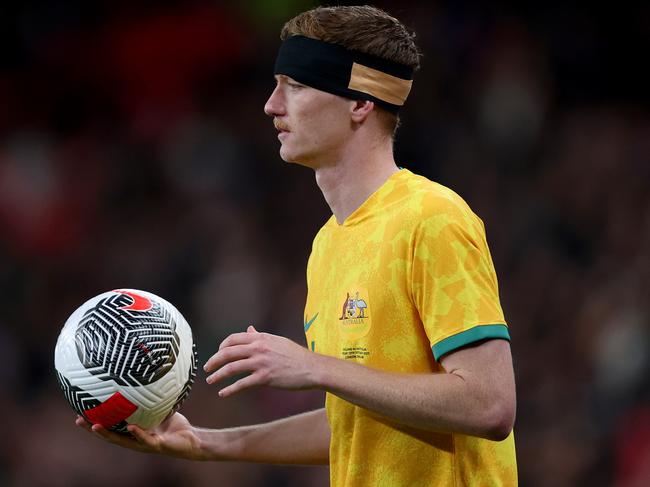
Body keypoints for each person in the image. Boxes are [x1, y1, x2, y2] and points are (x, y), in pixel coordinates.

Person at [76, 5, 518, 486]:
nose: (271, 105)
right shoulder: (327, 246)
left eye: (297, 85)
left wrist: (316, 367)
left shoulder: (432, 219)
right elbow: (353, 427)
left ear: (360, 103)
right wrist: (203, 443)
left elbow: (489, 404)